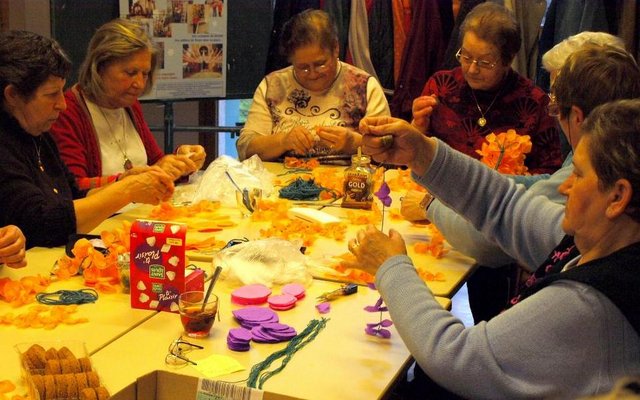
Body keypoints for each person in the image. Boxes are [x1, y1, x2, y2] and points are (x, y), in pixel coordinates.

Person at [354, 98, 640, 399]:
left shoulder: (593, 304)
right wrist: (422, 153)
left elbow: (457, 358)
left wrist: (391, 266)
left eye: (579, 174)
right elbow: (505, 206)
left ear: (617, 197)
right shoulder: (609, 240)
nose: (563, 187)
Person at [403, 35, 638, 323]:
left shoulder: (587, 299)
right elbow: (523, 197)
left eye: (555, 102)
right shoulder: (615, 152)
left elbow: (491, 237)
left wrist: (395, 266)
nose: (566, 187)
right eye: (465, 57)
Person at [0, 30, 174, 249]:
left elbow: (73, 192)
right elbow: (41, 224)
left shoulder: (38, 134)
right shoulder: (6, 146)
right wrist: (126, 190)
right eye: (52, 94)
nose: (62, 104)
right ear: (13, 95)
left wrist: (125, 182)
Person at [50, 18, 205, 191]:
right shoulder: (67, 111)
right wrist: (129, 181)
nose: (139, 83)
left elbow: (156, 164)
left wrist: (179, 161)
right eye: (130, 73)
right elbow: (73, 188)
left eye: (145, 74)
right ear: (99, 67)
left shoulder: (129, 105)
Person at [412, 2, 562, 175]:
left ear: (508, 60)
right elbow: (414, 156)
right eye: (466, 57)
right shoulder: (441, 86)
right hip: (435, 195)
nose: (472, 69)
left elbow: (548, 175)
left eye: (484, 63)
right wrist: (417, 126)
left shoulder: (534, 104)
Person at [236, 9, 390, 161]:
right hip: (278, 181)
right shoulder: (273, 86)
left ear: (335, 48)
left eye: (320, 64)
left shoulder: (364, 86)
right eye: (302, 67)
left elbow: (388, 149)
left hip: (350, 181)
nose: (312, 74)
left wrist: (354, 143)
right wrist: (283, 141)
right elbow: (246, 149)